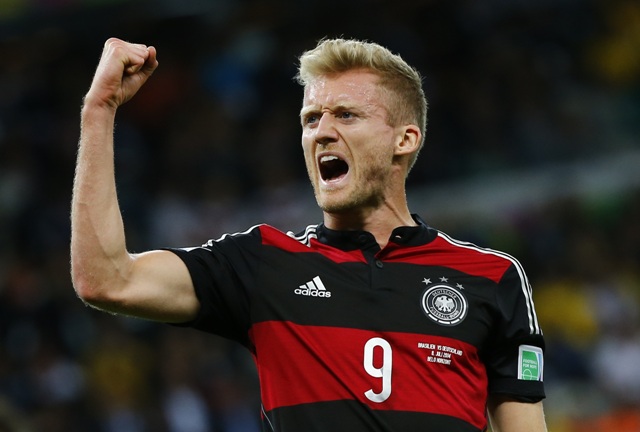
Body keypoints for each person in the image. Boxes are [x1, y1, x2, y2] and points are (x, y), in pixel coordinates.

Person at [71, 37, 547, 432]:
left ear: (404, 139)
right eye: (310, 119)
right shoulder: (263, 264)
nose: (321, 132)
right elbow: (108, 280)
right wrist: (100, 109)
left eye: (345, 115)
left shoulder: (493, 277)